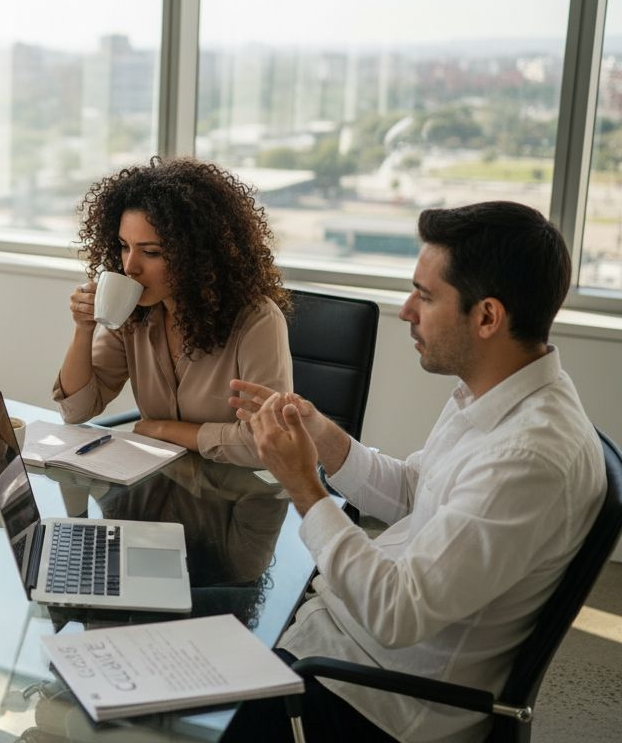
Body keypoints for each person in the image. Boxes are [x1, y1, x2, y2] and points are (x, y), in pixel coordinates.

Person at [226, 201, 606, 742]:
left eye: (425, 296)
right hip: (335, 642)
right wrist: (326, 440)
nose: (406, 310)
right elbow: (414, 491)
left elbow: (395, 612)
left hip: (372, 700)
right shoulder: (494, 393)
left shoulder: (528, 458)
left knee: (171, 715)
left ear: (487, 317)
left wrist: (304, 487)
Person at [55, 156, 291, 467]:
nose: (130, 267)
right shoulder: (132, 312)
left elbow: (268, 441)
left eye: (151, 252)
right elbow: (76, 411)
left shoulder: (257, 320)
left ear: (197, 256)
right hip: (156, 487)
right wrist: (83, 329)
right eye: (125, 246)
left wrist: (164, 429)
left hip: (234, 502)